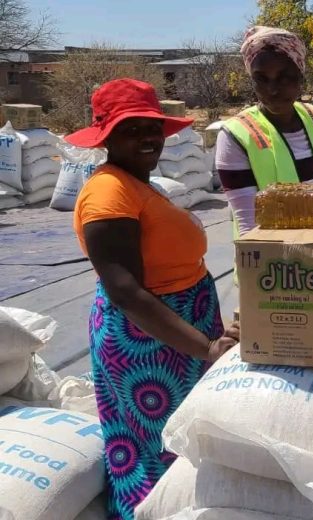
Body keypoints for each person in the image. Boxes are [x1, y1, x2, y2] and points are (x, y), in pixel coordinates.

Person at [66, 78, 240, 519]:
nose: (147, 138)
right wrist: (206, 347)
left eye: (152, 127)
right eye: (131, 129)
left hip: (175, 335)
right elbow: (125, 290)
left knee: (181, 446)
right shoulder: (109, 191)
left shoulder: (138, 182)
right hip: (147, 344)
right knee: (154, 452)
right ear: (106, 136)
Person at [216, 27, 313, 240]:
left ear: (300, 77)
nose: (272, 90)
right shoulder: (236, 135)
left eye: (284, 77)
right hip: (276, 267)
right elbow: (248, 229)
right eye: (261, 78)